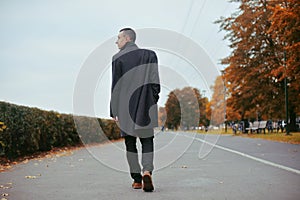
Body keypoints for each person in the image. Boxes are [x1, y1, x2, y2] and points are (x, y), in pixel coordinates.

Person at [110, 28, 160, 192]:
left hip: (125, 107)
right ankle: (147, 171)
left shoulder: (117, 58)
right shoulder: (150, 55)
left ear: (127, 38)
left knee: (130, 143)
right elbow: (155, 83)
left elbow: (116, 86)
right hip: (146, 104)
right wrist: (152, 100)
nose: (116, 41)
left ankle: (137, 180)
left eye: (118, 38)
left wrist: (114, 110)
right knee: (147, 141)